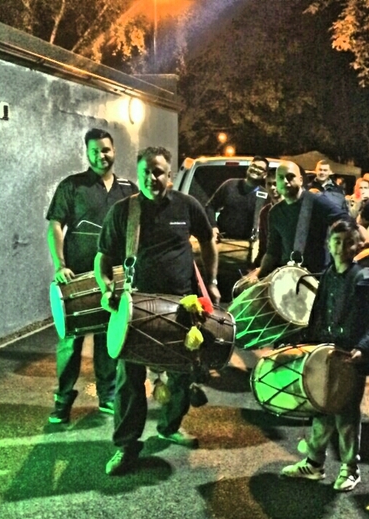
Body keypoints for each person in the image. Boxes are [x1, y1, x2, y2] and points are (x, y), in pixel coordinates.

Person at [96, 146, 220, 476]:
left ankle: (169, 426)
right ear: (138, 175)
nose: (152, 178)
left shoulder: (187, 205)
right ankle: (126, 446)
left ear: (170, 175)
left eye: (158, 172)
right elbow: (102, 258)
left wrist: (212, 281)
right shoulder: (125, 211)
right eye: (145, 172)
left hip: (182, 305)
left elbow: (208, 240)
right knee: (129, 381)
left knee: (181, 374)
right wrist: (106, 287)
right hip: (136, 308)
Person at [280, 219, 369, 491]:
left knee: (346, 414)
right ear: (328, 245)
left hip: (349, 357)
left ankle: (350, 469)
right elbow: (319, 313)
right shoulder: (328, 275)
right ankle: (314, 464)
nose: (341, 248)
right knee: (321, 408)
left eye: (348, 242)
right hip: (326, 353)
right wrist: (305, 343)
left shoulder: (365, 280)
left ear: (358, 246)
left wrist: (364, 347)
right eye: (336, 242)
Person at [45, 128, 136, 424]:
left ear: (114, 150)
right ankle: (62, 400)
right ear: (87, 153)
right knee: (70, 342)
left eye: (106, 149)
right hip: (78, 278)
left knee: (107, 337)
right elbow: (55, 226)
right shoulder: (72, 186)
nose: (101, 156)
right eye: (95, 151)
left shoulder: (128, 190)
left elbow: (138, 228)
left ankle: (107, 395)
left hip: (113, 277)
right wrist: (60, 265)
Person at [249, 161, 351, 281]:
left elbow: (347, 222)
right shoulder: (275, 212)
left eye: (290, 176)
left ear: (301, 180)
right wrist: (258, 274)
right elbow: (272, 252)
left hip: (316, 277)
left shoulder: (316, 202)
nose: (285, 181)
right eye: (281, 178)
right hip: (289, 276)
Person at [205, 155, 269, 241]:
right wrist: (213, 227)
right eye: (253, 166)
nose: (256, 169)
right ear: (248, 168)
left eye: (260, 168)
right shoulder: (230, 185)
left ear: (265, 175)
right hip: (222, 240)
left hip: (248, 243)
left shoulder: (265, 195)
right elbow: (210, 207)